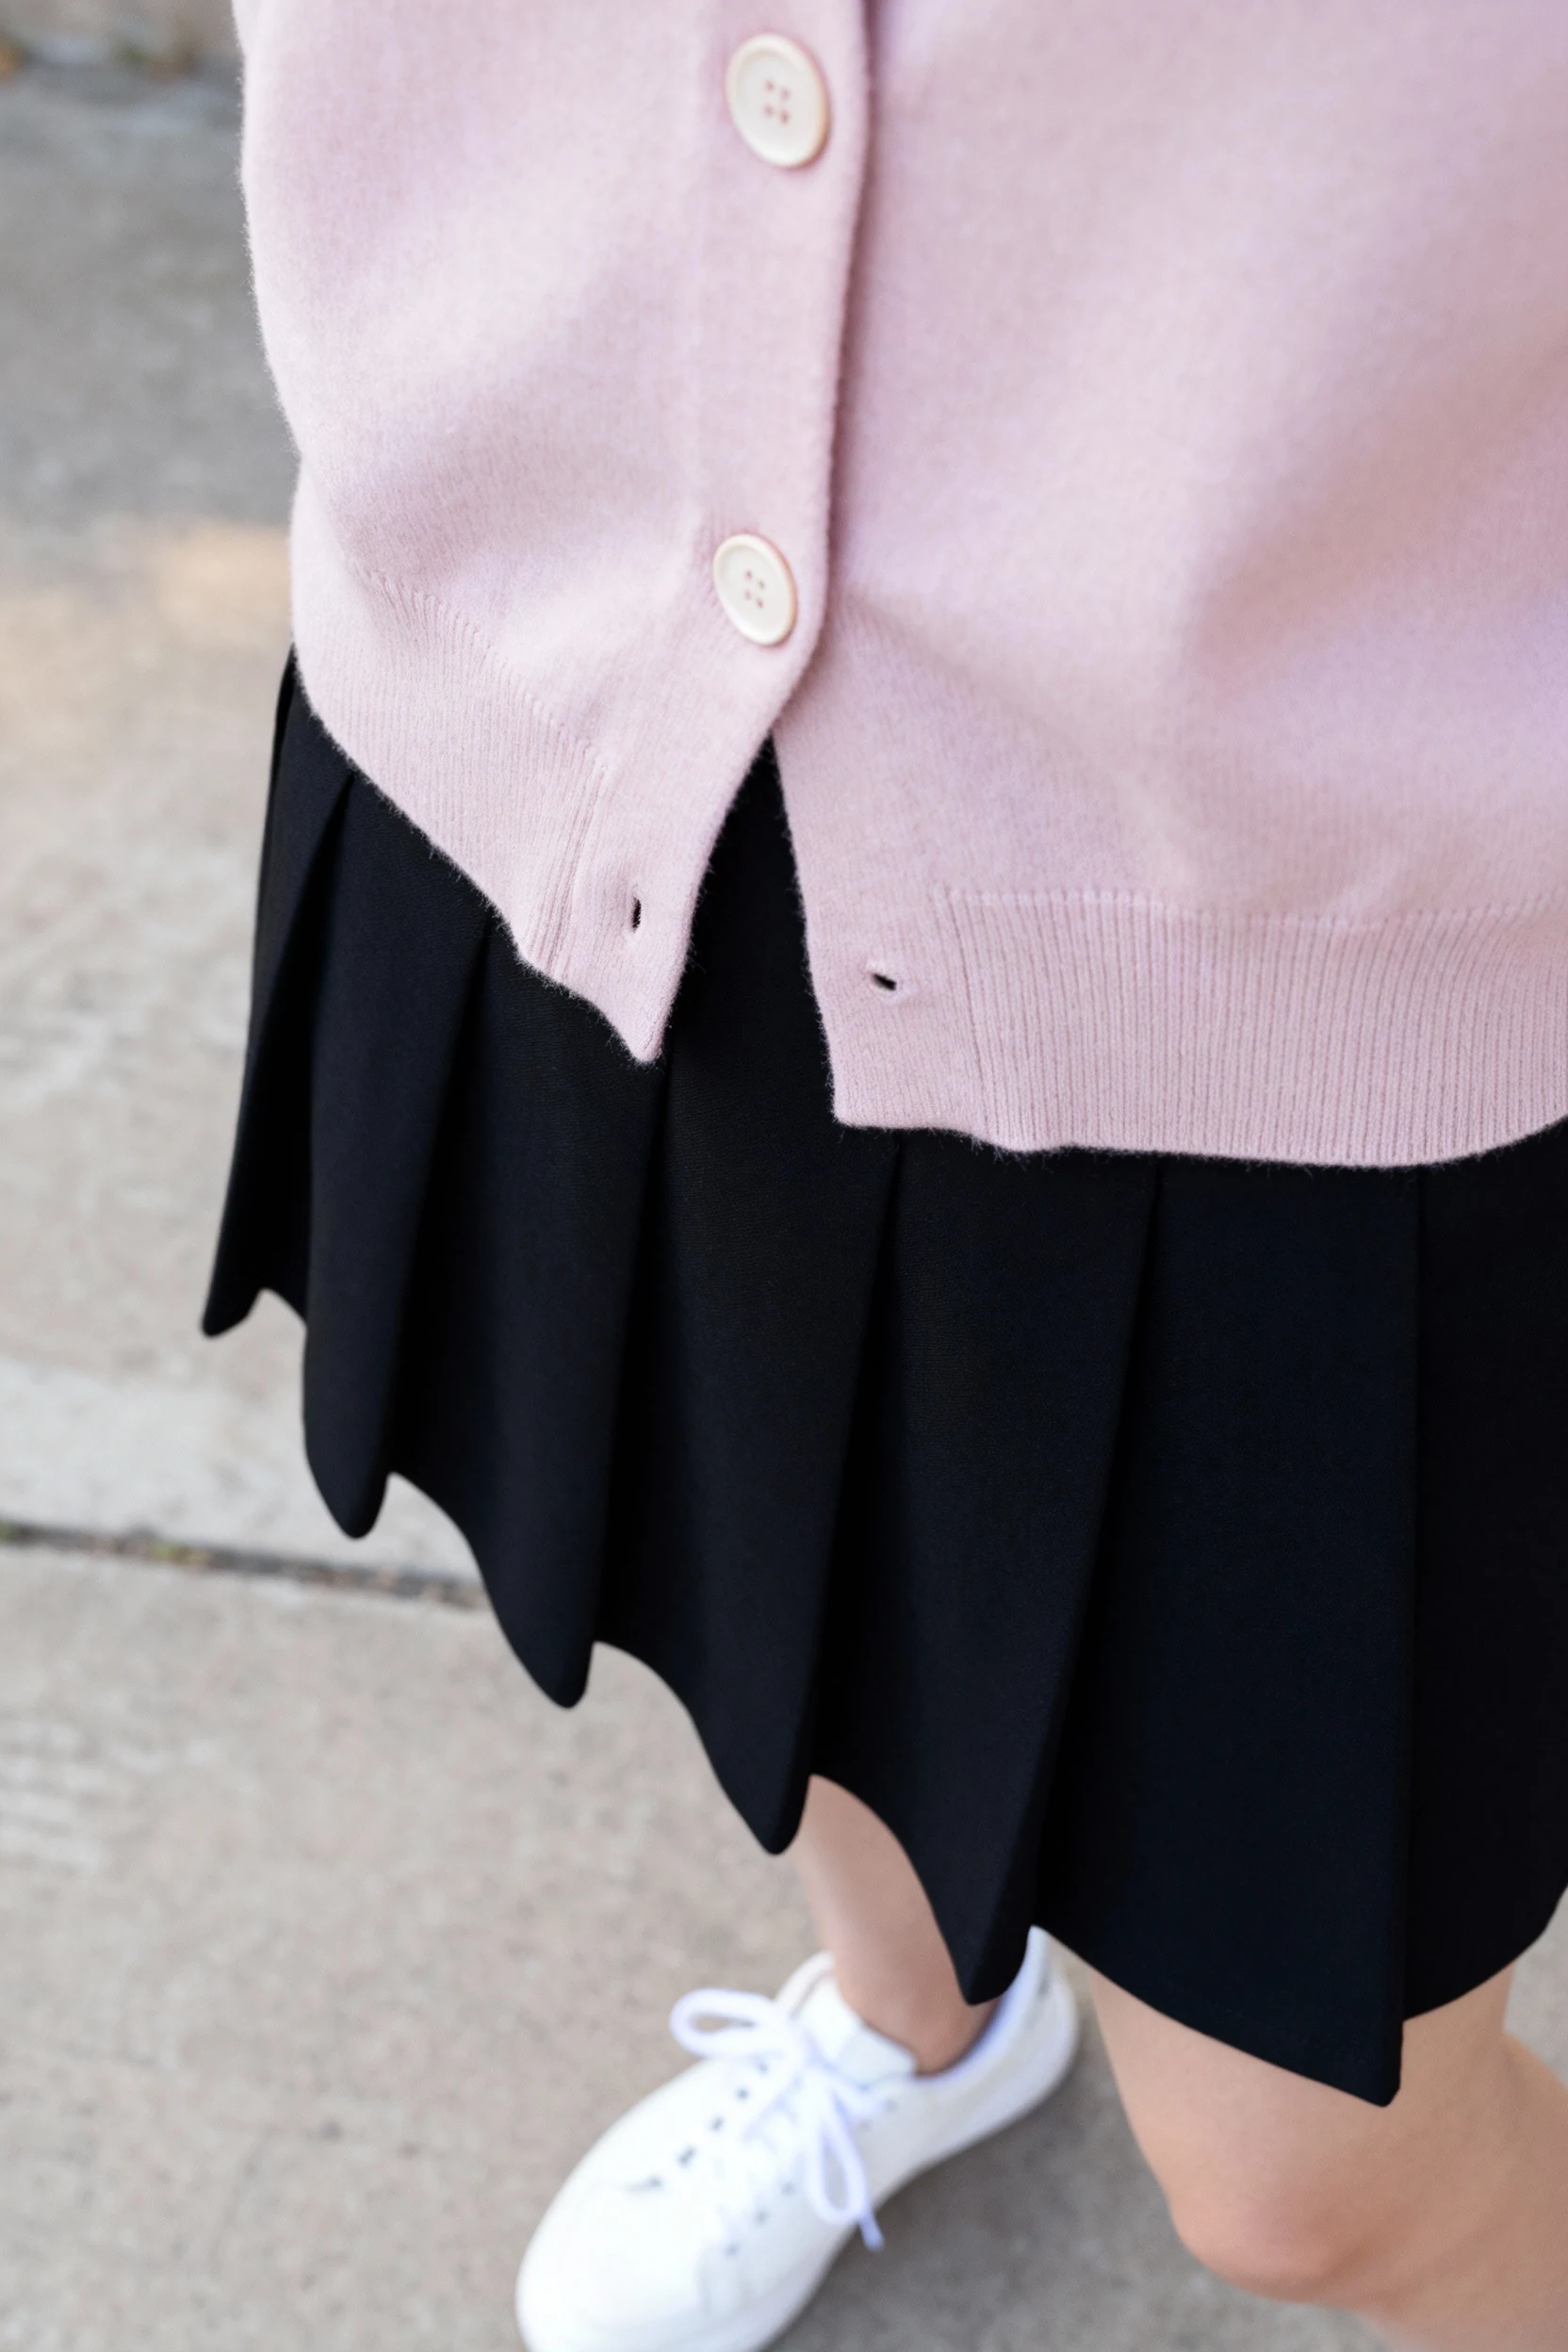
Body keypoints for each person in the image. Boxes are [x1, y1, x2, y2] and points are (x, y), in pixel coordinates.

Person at [206, 8, 1568, 2347]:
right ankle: (922, 2008)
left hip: (1317, 808)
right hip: (544, 560)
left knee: (1310, 2182)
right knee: (764, 1586)